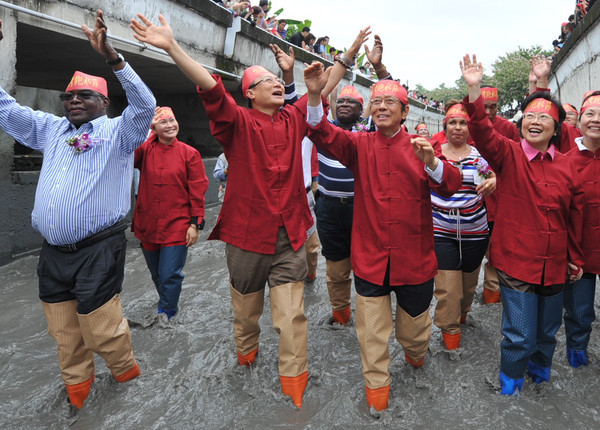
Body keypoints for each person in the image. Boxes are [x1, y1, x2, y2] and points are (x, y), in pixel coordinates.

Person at [130, 13, 368, 409]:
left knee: (292, 317)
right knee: (246, 312)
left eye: (277, 81)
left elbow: (319, 87)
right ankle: (246, 354)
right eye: (266, 81)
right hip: (244, 237)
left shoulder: (295, 119)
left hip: (291, 235)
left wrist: (343, 58)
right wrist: (172, 47)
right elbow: (210, 87)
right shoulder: (235, 123)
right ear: (250, 95)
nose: (276, 83)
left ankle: (294, 386)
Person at [0, 12, 155, 409]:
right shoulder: (49, 130)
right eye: (68, 96)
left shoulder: (120, 133)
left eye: (84, 95)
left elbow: (145, 103)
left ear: (104, 102)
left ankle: (127, 376)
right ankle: (78, 397)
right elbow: (3, 106)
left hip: (98, 250)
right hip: (52, 253)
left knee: (101, 330)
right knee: (64, 333)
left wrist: (112, 56)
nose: (73, 100)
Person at [305, 65, 462, 411]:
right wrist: (316, 95)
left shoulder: (423, 146)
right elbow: (320, 132)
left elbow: (451, 185)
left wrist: (432, 162)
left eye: (390, 102)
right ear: (370, 111)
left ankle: (417, 357)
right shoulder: (358, 144)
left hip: (415, 260)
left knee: (414, 337)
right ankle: (377, 397)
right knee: (372, 335)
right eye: (376, 102)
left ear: (405, 112)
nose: (382, 107)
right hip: (371, 259)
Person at [460, 54, 584, 396]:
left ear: (557, 129)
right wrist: (474, 89)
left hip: (555, 263)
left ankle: (540, 377)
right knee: (520, 333)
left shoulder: (567, 166)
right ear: (520, 124)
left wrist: (575, 255)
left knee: (547, 333)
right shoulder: (508, 154)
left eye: (544, 118)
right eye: (529, 116)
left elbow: (572, 215)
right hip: (516, 263)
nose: (535, 121)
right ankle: (509, 387)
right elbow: (482, 134)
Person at [314, 34, 393, 326]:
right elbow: (317, 97)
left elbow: (391, 99)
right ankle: (341, 313)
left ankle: (371, 315)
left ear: (364, 111)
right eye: (341, 101)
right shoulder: (324, 130)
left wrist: (380, 69)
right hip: (329, 207)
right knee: (335, 266)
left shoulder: (369, 132)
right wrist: (349, 53)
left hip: (363, 208)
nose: (345, 104)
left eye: (352, 102)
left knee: (366, 263)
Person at [133, 107, 208, 321]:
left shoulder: (189, 153)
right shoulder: (145, 150)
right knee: (157, 274)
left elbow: (198, 190)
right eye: (163, 122)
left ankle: (167, 312)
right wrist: (147, 130)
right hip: (147, 222)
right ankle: (167, 301)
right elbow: (127, 154)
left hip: (177, 224)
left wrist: (194, 224)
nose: (170, 125)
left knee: (169, 274)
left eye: (172, 120)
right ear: (153, 128)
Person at [431, 101, 495, 350]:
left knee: (468, 286)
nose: (457, 127)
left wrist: (494, 180)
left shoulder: (479, 157)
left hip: (475, 231)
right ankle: (451, 336)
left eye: (463, 123)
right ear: (444, 126)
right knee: (447, 289)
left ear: (470, 128)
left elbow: (492, 175)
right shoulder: (434, 154)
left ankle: (464, 312)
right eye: (452, 123)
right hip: (441, 229)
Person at [563, 91, 600, 368]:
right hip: (579, 254)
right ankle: (577, 357)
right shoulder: (565, 162)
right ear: (580, 120)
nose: (596, 120)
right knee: (579, 312)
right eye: (590, 114)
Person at [478, 86, 520, 305]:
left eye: (493, 107)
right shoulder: (467, 126)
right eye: (483, 108)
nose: (488, 112)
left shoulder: (508, 128)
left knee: (496, 248)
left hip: (500, 199)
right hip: (471, 199)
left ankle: (492, 294)